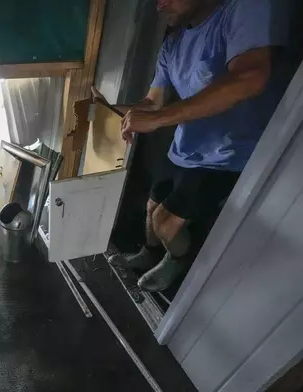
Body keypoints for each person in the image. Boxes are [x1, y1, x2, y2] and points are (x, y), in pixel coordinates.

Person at [93, 0, 290, 291]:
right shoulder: (172, 44)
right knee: (151, 209)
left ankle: (177, 260)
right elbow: (152, 103)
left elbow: (249, 77)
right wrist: (106, 111)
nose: (159, 6)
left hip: (226, 156)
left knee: (165, 221)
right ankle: (150, 255)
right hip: (184, 148)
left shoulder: (244, 10)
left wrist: (159, 119)